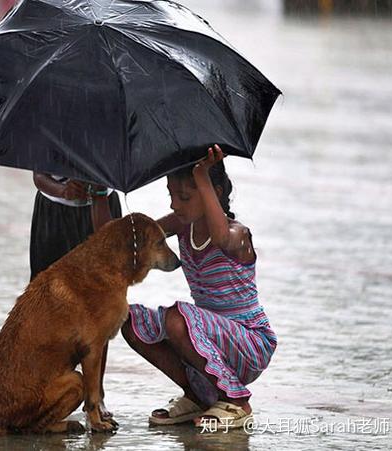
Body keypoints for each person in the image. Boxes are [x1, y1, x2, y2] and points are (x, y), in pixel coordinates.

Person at [121, 145, 277, 431]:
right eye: (171, 194)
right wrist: (99, 195)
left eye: (184, 197)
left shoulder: (237, 234)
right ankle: (197, 394)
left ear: (213, 193)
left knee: (177, 318)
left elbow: (220, 238)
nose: (174, 205)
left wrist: (201, 174)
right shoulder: (183, 224)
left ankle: (236, 401)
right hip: (203, 340)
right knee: (127, 320)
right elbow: (135, 237)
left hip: (249, 343)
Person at [30, 172, 122, 419]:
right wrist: (61, 190)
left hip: (102, 207)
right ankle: (49, 390)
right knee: (49, 306)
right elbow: (38, 175)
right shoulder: (49, 131)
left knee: (101, 308)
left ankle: (96, 394)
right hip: (54, 213)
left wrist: (100, 186)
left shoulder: (110, 133)